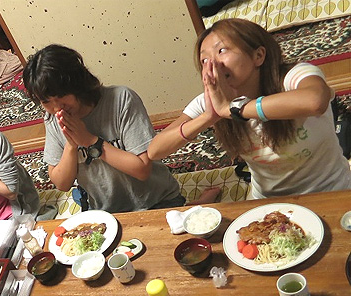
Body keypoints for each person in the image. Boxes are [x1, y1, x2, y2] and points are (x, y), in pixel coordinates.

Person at [148, 18, 351, 199]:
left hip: (331, 191)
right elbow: (155, 150)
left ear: (258, 56)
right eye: (204, 60)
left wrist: (234, 109)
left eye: (221, 51)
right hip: (266, 200)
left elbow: (315, 101)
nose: (213, 64)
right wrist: (208, 117)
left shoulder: (292, 77)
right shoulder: (211, 102)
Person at [23, 44, 184, 212]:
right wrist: (71, 145)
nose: (57, 107)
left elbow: (142, 169)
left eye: (62, 96)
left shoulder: (121, 100)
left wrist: (91, 141)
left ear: (78, 84)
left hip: (156, 201)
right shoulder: (53, 120)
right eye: (46, 101)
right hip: (106, 211)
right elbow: (61, 183)